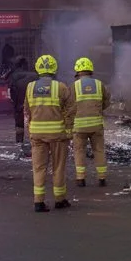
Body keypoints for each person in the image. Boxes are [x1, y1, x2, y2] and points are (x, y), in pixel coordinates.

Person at [27, 54, 73, 212]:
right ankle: (60, 200)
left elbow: (27, 111)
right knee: (58, 167)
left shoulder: (30, 87)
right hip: (57, 135)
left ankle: (38, 202)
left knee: (39, 168)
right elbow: (70, 110)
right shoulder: (61, 87)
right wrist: (68, 130)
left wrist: (30, 129)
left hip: (37, 135)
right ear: (54, 69)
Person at [70, 57, 111, 187]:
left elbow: (69, 106)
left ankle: (80, 178)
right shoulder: (99, 84)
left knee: (79, 151)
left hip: (79, 126)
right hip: (96, 124)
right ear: (90, 70)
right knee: (99, 150)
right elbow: (106, 102)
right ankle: (102, 178)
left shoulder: (74, 86)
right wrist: (97, 110)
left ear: (77, 71)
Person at [7, 58, 38, 145]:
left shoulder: (14, 75)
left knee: (19, 119)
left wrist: (14, 102)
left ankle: (19, 141)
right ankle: (34, 139)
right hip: (34, 102)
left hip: (19, 100)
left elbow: (11, 91)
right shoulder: (35, 75)